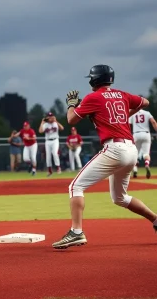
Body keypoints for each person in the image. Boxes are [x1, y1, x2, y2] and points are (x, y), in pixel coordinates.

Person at [52, 64, 157, 250]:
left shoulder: (94, 97)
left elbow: (71, 120)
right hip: (131, 150)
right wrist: (124, 112)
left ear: (94, 79)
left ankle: (76, 232)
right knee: (120, 197)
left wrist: (71, 105)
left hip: (115, 148)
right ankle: (155, 219)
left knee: (76, 186)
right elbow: (145, 102)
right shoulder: (122, 95)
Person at [129, 109, 157, 179]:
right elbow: (153, 122)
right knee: (146, 153)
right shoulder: (147, 113)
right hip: (146, 134)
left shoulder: (132, 113)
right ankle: (147, 164)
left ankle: (135, 169)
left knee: (135, 154)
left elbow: (128, 125)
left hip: (136, 134)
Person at [38, 112, 64, 176]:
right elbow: (40, 131)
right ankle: (49, 171)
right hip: (48, 141)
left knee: (55, 153)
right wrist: (42, 122)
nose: (50, 118)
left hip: (55, 140)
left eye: (51, 117)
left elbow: (62, 128)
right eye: (49, 117)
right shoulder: (45, 124)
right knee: (48, 156)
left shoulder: (55, 123)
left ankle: (58, 167)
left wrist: (56, 121)